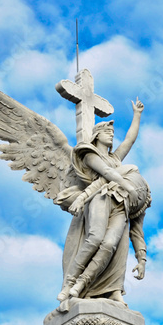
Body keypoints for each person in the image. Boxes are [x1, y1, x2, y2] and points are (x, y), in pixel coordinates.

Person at [54, 98, 149, 306]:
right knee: (95, 238)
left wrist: (137, 115)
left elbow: (129, 141)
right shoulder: (89, 155)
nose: (112, 134)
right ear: (97, 135)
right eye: (107, 131)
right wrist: (127, 183)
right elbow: (105, 173)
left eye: (113, 132)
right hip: (99, 198)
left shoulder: (116, 159)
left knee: (112, 245)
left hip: (119, 206)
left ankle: (103, 287)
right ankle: (69, 283)